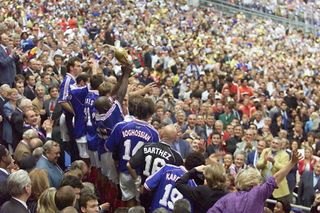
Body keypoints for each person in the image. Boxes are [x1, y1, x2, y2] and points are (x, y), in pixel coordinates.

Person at [207, 150, 301, 213]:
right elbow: (276, 177)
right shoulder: (257, 193)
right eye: (258, 180)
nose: (260, 183)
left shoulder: (227, 199)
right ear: (253, 183)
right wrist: (292, 162)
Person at [106, 97, 159, 206]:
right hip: (141, 174)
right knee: (140, 203)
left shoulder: (121, 126)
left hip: (124, 170)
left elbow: (109, 147)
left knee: (129, 200)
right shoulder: (153, 133)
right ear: (149, 114)